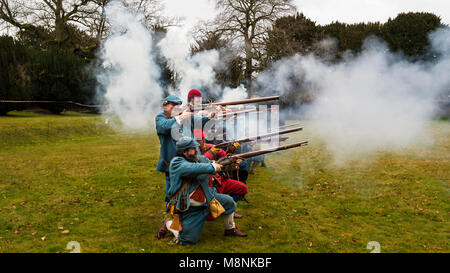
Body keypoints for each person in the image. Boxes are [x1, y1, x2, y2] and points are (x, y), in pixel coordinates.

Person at [157, 137, 247, 244]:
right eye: (193, 148)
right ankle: (169, 224)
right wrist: (212, 167)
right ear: (184, 151)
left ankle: (230, 229)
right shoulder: (177, 163)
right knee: (188, 240)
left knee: (229, 203)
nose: (196, 149)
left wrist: (232, 163)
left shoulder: (198, 159)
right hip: (189, 206)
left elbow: (217, 165)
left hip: (207, 199)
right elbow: (195, 168)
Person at [193, 129, 248, 205]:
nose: (198, 142)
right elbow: (198, 163)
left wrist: (231, 149)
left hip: (219, 180)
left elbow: (225, 157)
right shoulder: (191, 152)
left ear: (203, 140)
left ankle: (230, 206)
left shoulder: (212, 147)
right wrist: (211, 153)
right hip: (206, 184)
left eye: (200, 139)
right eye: (196, 140)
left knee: (242, 188)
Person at [155, 95, 192, 202]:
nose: (176, 107)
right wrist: (180, 117)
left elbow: (197, 121)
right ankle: (169, 210)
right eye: (173, 105)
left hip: (182, 157)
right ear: (165, 105)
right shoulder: (160, 117)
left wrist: (209, 116)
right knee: (171, 187)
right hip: (170, 158)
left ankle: (181, 209)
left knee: (183, 185)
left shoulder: (178, 118)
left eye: (177, 105)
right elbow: (164, 127)